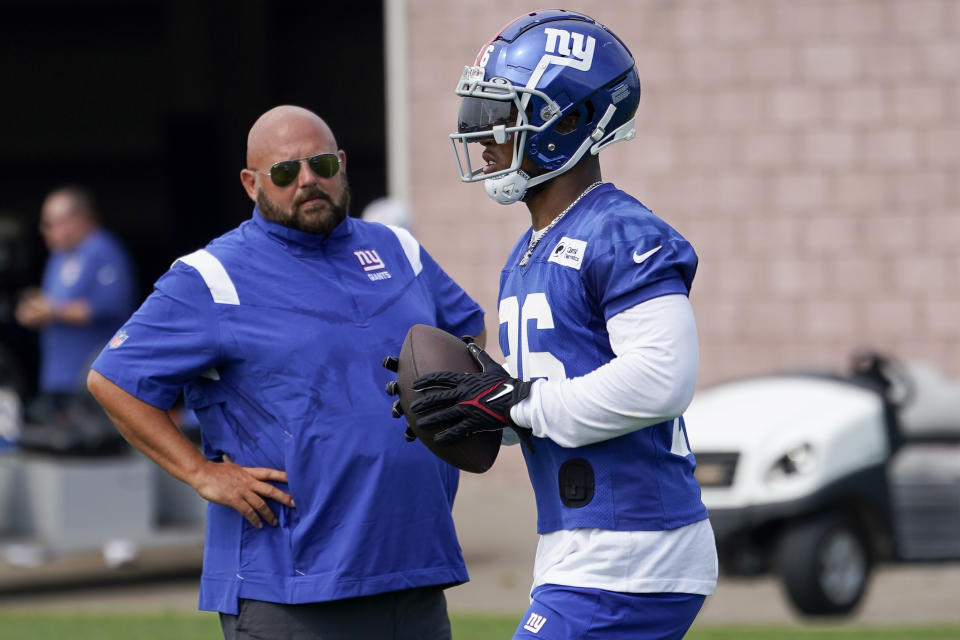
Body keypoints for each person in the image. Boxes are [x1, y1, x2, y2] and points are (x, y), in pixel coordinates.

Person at [87, 105, 486, 640]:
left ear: (341, 164)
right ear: (251, 183)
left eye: (320, 163)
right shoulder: (212, 276)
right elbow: (113, 380)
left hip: (414, 570)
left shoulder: (398, 249)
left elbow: (467, 334)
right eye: (284, 171)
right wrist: (203, 474)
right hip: (290, 589)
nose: (307, 180)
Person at [394, 10, 717, 639]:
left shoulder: (621, 231)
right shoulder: (530, 249)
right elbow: (550, 406)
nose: (483, 135)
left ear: (565, 120)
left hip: (633, 543)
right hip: (584, 544)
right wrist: (477, 408)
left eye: (502, 113)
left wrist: (520, 403)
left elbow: (662, 379)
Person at [14, 186, 135, 415]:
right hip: (57, 378)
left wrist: (51, 310)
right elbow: (54, 305)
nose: (43, 230)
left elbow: (109, 306)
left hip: (93, 381)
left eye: (49, 223)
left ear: (75, 221)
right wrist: (35, 310)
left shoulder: (103, 248)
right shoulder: (58, 256)